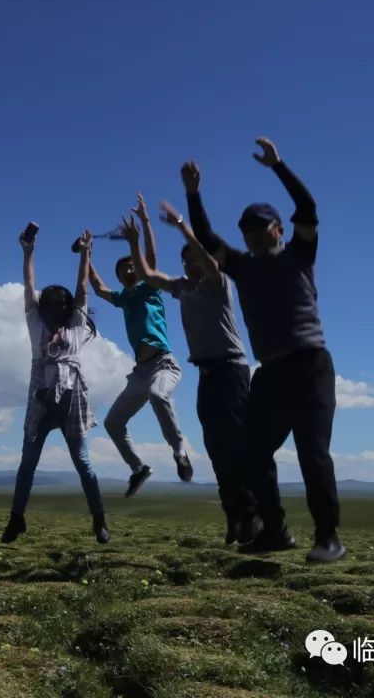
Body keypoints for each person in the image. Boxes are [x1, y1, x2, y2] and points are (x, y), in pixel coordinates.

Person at [185, 137, 345, 563]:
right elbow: (205, 236)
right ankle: (275, 531)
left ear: (277, 228)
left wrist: (279, 166)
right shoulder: (241, 267)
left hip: (310, 365)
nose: (252, 236)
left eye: (260, 228)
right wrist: (193, 194)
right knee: (250, 452)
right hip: (270, 372)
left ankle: (328, 538)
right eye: (247, 231)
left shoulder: (299, 254)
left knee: (312, 453)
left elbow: (308, 208)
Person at [119, 203, 259, 546]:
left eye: (191, 257)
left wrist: (183, 228)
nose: (187, 263)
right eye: (183, 260)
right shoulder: (182, 287)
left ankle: (252, 517)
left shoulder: (218, 282)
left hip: (232, 371)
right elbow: (149, 275)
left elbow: (209, 261)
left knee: (238, 447)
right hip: (207, 375)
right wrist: (134, 243)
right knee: (215, 448)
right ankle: (234, 522)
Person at [1, 229, 109, 544]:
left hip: (71, 398)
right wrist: (28, 251)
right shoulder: (35, 324)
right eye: (48, 304)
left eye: (60, 304)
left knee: (83, 463)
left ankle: (99, 519)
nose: (54, 309)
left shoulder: (75, 324)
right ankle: (16, 518)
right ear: (41, 308)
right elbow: (29, 286)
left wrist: (86, 253)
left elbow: (83, 287)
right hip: (41, 398)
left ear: (67, 307)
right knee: (28, 463)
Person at [88, 194, 193, 497]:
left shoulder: (150, 287)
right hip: (140, 371)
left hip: (163, 363)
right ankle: (138, 467)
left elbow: (151, 258)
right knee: (113, 422)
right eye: (124, 269)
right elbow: (97, 288)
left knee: (158, 396)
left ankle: (179, 452)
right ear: (120, 276)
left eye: (134, 266)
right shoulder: (124, 298)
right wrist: (87, 255)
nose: (130, 269)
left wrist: (145, 222)